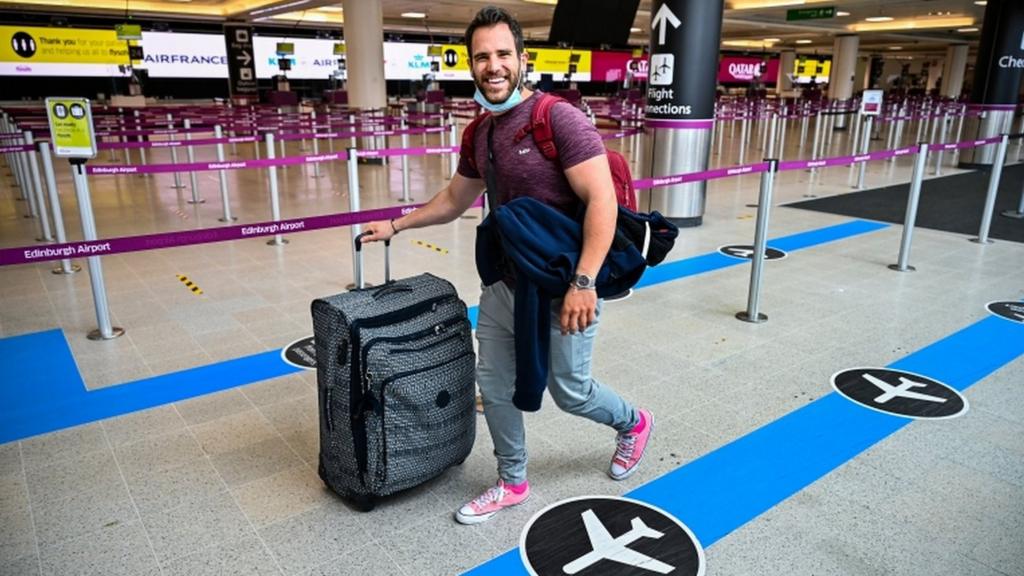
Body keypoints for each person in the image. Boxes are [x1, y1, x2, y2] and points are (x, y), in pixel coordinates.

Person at [358, 5, 652, 525]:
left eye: (501, 54)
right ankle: (512, 480)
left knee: (571, 390)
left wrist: (585, 282)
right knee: (493, 384)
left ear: (521, 58)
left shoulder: (557, 118)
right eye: (481, 57)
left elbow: (602, 200)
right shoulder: (480, 132)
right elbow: (455, 198)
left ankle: (633, 423)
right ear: (470, 65)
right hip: (504, 282)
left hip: (564, 284)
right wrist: (397, 226)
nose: (492, 66)